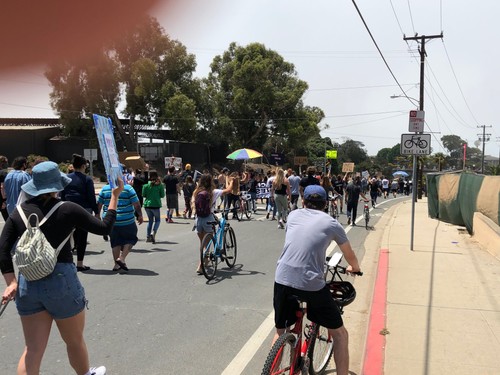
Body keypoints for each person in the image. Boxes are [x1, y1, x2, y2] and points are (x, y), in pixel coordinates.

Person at [0, 161, 123, 375]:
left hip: (28, 282)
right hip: (61, 280)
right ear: (57, 185)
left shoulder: (18, 212)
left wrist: (11, 281)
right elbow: (105, 227)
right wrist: (114, 196)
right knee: (74, 341)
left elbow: (2, 249)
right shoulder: (67, 209)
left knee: (32, 349)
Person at [272, 185, 361, 375]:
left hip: (282, 278)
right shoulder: (331, 223)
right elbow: (349, 253)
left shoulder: (294, 215)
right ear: (325, 204)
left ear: (303, 201)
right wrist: (355, 267)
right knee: (340, 334)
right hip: (310, 284)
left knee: (280, 331)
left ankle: (272, 369)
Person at [60, 154, 99, 272]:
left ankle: (68, 261)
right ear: (83, 166)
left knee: (67, 236)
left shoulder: (66, 178)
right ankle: (80, 263)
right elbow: (91, 197)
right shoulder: (87, 179)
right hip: (83, 210)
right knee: (82, 236)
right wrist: (96, 212)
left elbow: (62, 195)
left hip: (68, 209)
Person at [97, 179, 143, 272]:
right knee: (131, 239)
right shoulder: (128, 188)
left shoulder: (105, 189)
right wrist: (140, 215)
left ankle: (116, 265)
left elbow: (99, 204)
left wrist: (97, 215)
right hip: (126, 220)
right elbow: (136, 204)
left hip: (110, 220)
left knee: (115, 242)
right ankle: (121, 258)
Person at [193, 173, 232, 274]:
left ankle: (205, 261)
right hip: (208, 218)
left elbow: (193, 203)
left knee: (202, 243)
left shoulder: (197, 192)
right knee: (208, 243)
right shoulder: (212, 192)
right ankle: (201, 265)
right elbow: (228, 190)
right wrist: (231, 181)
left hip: (198, 218)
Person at [142, 170, 165, 244]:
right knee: (157, 220)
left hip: (147, 205)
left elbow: (143, 195)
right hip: (156, 204)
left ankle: (148, 236)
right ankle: (153, 232)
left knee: (150, 221)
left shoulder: (146, 185)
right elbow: (162, 195)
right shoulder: (159, 185)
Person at [0, 155, 9, 221]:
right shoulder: (3, 173)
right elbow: (2, 187)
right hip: (2, 200)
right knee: (8, 219)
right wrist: (4, 200)